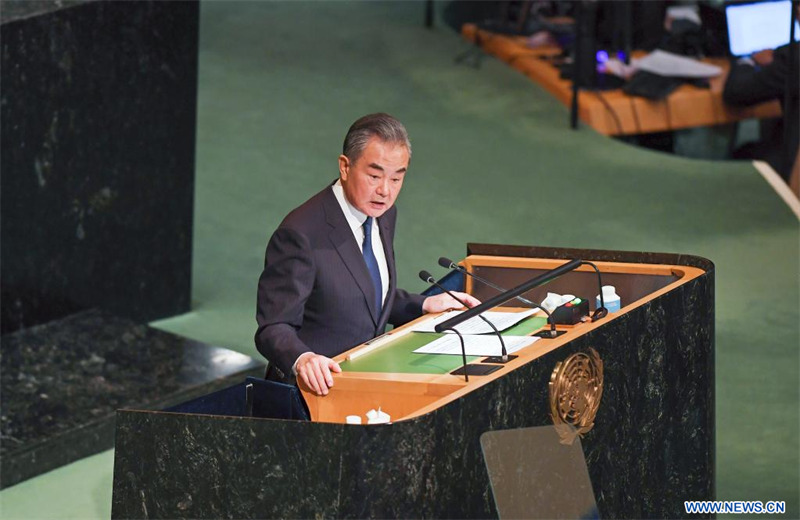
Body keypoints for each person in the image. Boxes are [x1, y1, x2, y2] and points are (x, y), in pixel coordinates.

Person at [255, 113, 479, 396]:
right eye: (374, 176)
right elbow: (273, 327)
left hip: (365, 383)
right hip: (310, 397)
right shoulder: (301, 234)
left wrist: (422, 305)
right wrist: (303, 359)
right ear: (345, 167)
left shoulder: (383, 215)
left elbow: (360, 290)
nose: (385, 191)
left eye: (397, 179)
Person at [723, 23, 799, 181]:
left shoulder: (792, 57)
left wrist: (747, 61)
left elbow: (736, 93)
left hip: (791, 168)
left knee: (743, 152)